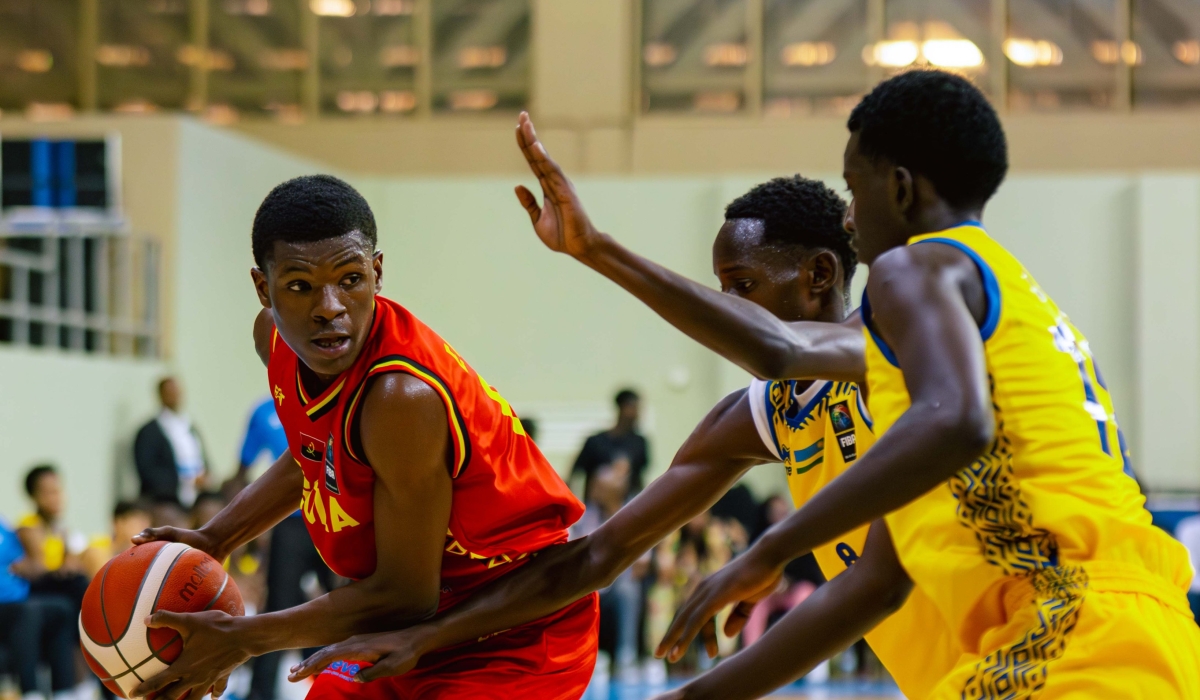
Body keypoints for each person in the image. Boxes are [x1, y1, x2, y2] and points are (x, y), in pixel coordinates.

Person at [286, 119, 964, 700]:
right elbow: (593, 558)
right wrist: (426, 637)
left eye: (742, 286)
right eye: (721, 286)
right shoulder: (759, 417)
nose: (725, 303)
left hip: (1033, 648)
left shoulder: (896, 341)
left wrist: (595, 249)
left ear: (819, 275)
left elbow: (780, 349)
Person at [614, 70, 1199, 698]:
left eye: (852, 188)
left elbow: (934, 414)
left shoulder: (912, 269)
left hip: (1068, 626)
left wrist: (771, 550)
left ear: (897, 189)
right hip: (1149, 624)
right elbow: (876, 583)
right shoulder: (1005, 297)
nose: (847, 213)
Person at [129, 174, 597, 700]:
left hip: (515, 626)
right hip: (414, 611)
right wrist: (217, 538)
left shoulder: (401, 399)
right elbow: (314, 450)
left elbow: (405, 595)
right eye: (300, 285)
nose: (329, 306)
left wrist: (243, 639)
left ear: (377, 272)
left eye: (350, 278)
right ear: (264, 288)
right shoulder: (277, 341)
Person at [0, 515, 77, 700]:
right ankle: (31, 693)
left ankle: (64, 693)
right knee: (27, 612)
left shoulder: (5, 527)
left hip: (21, 598)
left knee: (61, 608)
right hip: (7, 605)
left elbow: (28, 562)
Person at [16, 466, 89, 607]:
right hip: (38, 584)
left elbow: (70, 559)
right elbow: (39, 568)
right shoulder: (30, 526)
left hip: (56, 582)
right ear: (34, 496)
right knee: (78, 583)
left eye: (58, 491)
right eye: (48, 493)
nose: (56, 498)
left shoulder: (59, 528)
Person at [134, 377, 209, 508]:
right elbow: (148, 472)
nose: (174, 395)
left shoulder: (189, 426)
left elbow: (203, 459)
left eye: (176, 391)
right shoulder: (149, 432)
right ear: (160, 395)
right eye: (169, 392)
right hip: (165, 500)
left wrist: (206, 477)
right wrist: (187, 481)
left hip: (195, 498)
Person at [572, 389, 649, 499]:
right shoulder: (596, 442)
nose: (637, 414)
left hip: (627, 504)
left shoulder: (639, 442)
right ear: (622, 408)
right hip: (596, 506)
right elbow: (576, 472)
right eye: (633, 408)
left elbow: (639, 478)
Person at [81, 501, 152, 578]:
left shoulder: (144, 553)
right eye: (138, 522)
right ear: (117, 523)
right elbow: (108, 581)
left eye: (146, 523)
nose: (144, 528)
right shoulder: (97, 548)